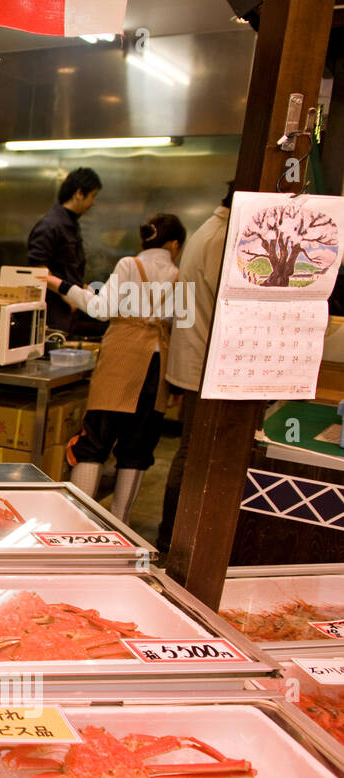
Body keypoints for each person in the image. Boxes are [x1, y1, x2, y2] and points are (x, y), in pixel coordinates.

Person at [49, 213, 187, 522]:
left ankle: (77, 521)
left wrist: (61, 285)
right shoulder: (181, 275)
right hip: (158, 365)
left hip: (122, 359)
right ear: (174, 244)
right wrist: (178, 381)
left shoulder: (128, 265)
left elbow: (100, 309)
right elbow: (184, 325)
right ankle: (118, 524)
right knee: (137, 447)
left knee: (95, 440)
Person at [157, 184, 233, 554]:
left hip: (195, 359)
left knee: (190, 451)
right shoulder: (221, 238)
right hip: (204, 363)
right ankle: (173, 538)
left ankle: (172, 535)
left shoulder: (208, 231)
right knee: (193, 453)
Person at [28, 167, 102, 338]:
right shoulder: (51, 225)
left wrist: (82, 290)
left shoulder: (70, 223)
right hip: (54, 312)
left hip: (68, 312)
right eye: (93, 196)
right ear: (79, 193)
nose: (93, 202)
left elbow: (67, 268)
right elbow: (38, 269)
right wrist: (67, 296)